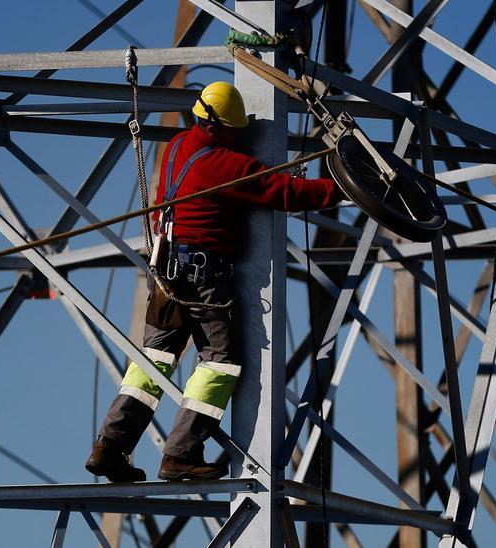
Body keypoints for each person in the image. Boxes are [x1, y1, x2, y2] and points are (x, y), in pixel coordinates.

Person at [85, 81, 343, 482]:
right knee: (220, 363)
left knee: (153, 361)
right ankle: (181, 454)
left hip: (167, 272)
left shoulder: (176, 147)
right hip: (202, 277)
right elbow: (284, 191)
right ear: (217, 127)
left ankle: (109, 447)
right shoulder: (222, 164)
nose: (241, 134)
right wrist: (341, 188)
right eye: (234, 129)